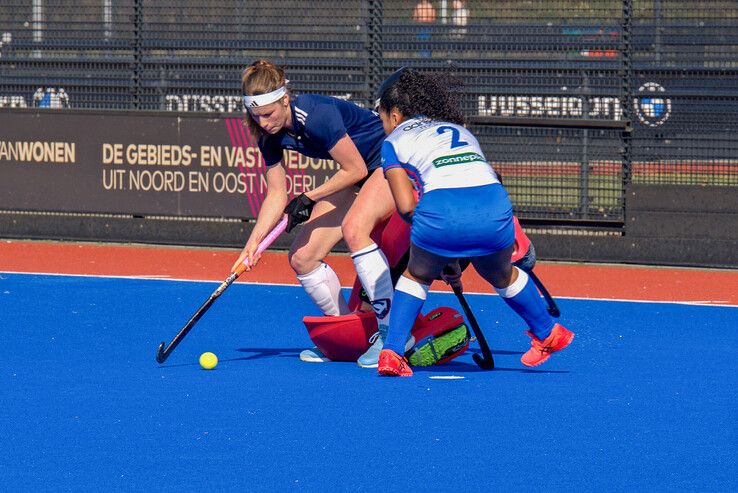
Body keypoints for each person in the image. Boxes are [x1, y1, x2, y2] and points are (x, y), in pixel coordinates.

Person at [372, 68, 575, 376]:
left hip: (442, 212)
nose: (382, 123)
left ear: (396, 115)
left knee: (417, 275)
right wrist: (453, 250)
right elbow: (490, 177)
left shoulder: (394, 142)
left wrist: (437, 249)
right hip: (494, 207)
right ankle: (548, 332)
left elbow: (406, 206)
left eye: (382, 115)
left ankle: (392, 352)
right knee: (499, 273)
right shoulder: (459, 129)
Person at [231, 60, 396, 368]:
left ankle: (391, 336)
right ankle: (347, 334)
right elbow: (276, 194)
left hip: (389, 162)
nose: (264, 122)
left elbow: (357, 168)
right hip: (356, 173)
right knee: (302, 257)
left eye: (268, 114)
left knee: (354, 229)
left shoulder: (316, 115)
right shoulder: (268, 134)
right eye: (256, 116)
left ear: (284, 99)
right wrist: (251, 246)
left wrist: (308, 197)